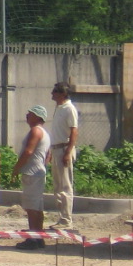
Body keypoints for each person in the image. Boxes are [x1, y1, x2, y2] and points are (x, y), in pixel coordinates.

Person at [12, 105, 52, 250]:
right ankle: (39, 237)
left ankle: (33, 239)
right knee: (36, 206)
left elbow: (28, 152)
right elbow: (48, 155)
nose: (27, 115)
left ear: (38, 117)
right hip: (39, 173)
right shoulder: (45, 133)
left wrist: (16, 169)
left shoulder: (35, 131)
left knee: (31, 208)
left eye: (31, 114)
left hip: (32, 173)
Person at [48, 81, 80, 230]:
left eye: (55, 91)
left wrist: (68, 152)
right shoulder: (59, 108)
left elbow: (74, 131)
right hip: (56, 149)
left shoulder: (69, 109)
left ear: (62, 94)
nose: (52, 94)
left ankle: (67, 219)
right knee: (57, 186)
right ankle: (62, 217)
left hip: (64, 149)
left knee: (65, 186)